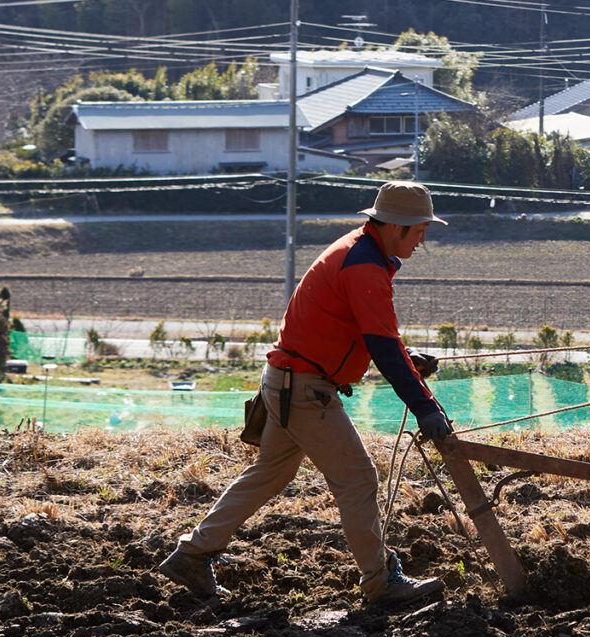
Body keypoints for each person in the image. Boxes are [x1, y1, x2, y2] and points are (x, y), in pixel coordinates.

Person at [159, 182, 456, 609]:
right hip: (304, 390)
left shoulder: (359, 251)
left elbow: (360, 333)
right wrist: (426, 408)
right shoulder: (364, 265)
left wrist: (406, 357)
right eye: (420, 229)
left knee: (270, 473)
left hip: (284, 381)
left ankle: (192, 554)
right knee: (357, 478)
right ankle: (381, 582)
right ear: (395, 226)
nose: (424, 237)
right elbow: (383, 348)